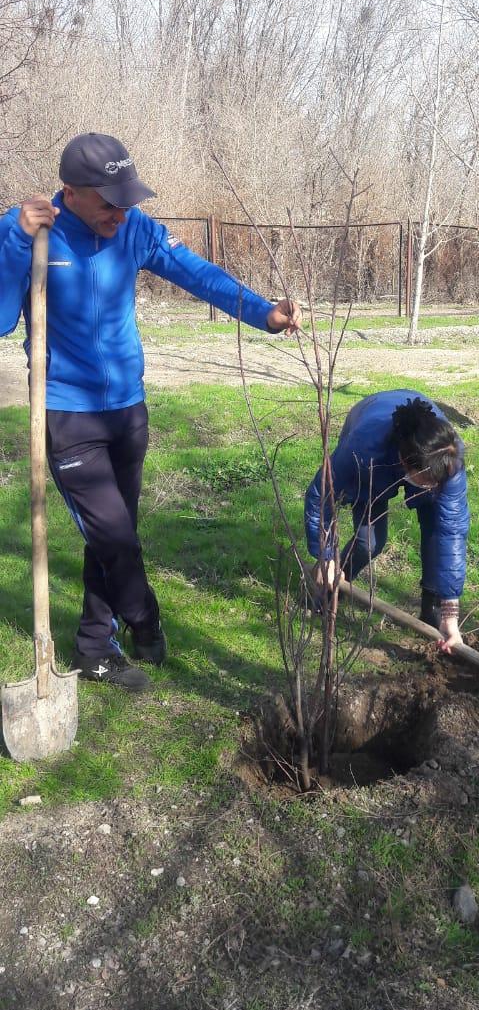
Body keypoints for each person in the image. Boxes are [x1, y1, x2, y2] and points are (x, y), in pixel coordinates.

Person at [0, 132, 301, 691]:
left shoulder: (134, 229)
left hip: (127, 413)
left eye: (128, 200)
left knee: (113, 539)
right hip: (67, 414)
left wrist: (264, 314)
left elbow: (198, 274)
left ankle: (95, 646)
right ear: (71, 191)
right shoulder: (30, 231)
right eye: (109, 201)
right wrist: (16, 244)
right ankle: (143, 615)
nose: (122, 212)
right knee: (114, 537)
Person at [304, 390, 470, 652]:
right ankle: (332, 584)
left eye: (437, 483)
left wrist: (451, 610)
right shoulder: (361, 449)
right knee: (369, 542)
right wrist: (325, 557)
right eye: (427, 482)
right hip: (371, 432)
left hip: (423, 447)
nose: (432, 487)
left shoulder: (447, 458)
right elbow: (320, 496)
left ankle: (433, 608)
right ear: (405, 462)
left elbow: (452, 530)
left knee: (436, 528)